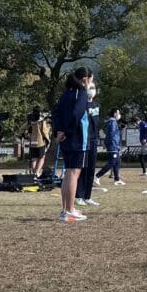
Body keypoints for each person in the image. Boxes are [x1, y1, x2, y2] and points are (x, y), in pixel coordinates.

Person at [53, 68, 95, 222]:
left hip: (65, 138)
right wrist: (67, 131)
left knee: (68, 173)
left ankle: (66, 209)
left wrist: (59, 131)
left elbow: (55, 113)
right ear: (85, 79)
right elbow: (76, 114)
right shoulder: (81, 93)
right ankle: (69, 210)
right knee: (73, 173)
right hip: (77, 138)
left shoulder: (66, 94)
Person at [74, 82, 102, 209]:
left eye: (93, 88)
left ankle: (87, 196)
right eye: (89, 88)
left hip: (94, 140)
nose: (92, 90)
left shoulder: (97, 105)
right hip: (85, 140)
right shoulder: (82, 104)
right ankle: (79, 196)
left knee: (91, 169)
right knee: (83, 169)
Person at [96, 108, 125, 186]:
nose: (119, 115)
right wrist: (109, 144)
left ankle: (117, 179)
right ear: (115, 113)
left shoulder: (113, 122)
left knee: (117, 161)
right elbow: (111, 134)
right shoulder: (112, 122)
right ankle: (97, 176)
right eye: (118, 113)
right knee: (112, 162)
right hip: (113, 145)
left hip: (114, 145)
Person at [24, 108, 51, 179]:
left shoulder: (30, 121)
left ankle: (32, 174)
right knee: (42, 157)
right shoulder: (42, 121)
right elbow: (44, 132)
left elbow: (22, 129)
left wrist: (25, 135)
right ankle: (37, 172)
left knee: (34, 159)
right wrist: (48, 140)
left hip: (32, 142)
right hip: (40, 142)